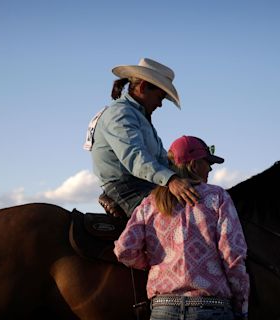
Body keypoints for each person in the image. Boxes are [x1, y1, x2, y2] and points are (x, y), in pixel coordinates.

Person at [114, 135, 250, 320]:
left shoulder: (150, 203)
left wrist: (156, 263)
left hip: (163, 309)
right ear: (193, 165)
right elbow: (232, 254)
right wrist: (241, 303)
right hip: (211, 308)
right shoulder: (217, 197)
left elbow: (124, 250)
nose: (210, 167)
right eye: (207, 162)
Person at [84, 58, 199, 217]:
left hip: (143, 185)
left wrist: (185, 177)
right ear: (144, 87)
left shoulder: (138, 116)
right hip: (126, 188)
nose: (160, 105)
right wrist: (172, 180)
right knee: (177, 219)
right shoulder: (121, 114)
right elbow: (135, 156)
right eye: (160, 97)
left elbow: (160, 160)